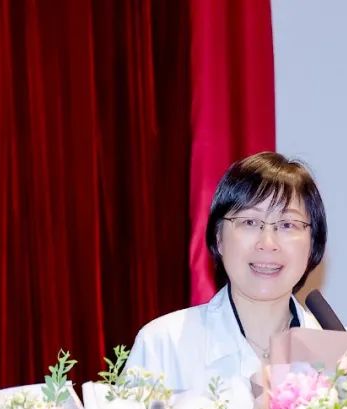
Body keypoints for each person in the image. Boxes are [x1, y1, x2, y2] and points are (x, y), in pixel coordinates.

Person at [125, 151, 328, 394]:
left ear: (313, 243)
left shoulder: (346, 358)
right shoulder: (163, 345)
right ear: (219, 238)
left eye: (287, 225)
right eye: (250, 222)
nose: (267, 243)